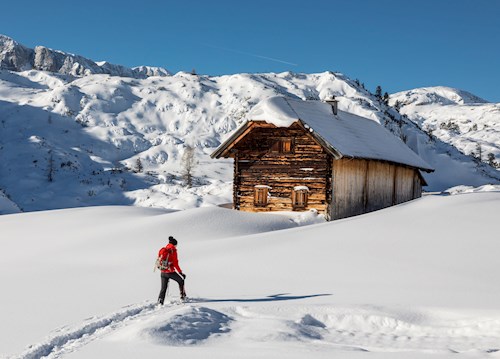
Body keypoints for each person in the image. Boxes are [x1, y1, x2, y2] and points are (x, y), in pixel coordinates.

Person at [157, 236, 187, 305]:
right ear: (174, 244)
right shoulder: (173, 250)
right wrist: (180, 273)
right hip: (170, 272)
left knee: (163, 288)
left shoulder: (163, 249)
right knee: (181, 280)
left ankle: (160, 302)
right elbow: (176, 263)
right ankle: (183, 297)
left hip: (162, 272)